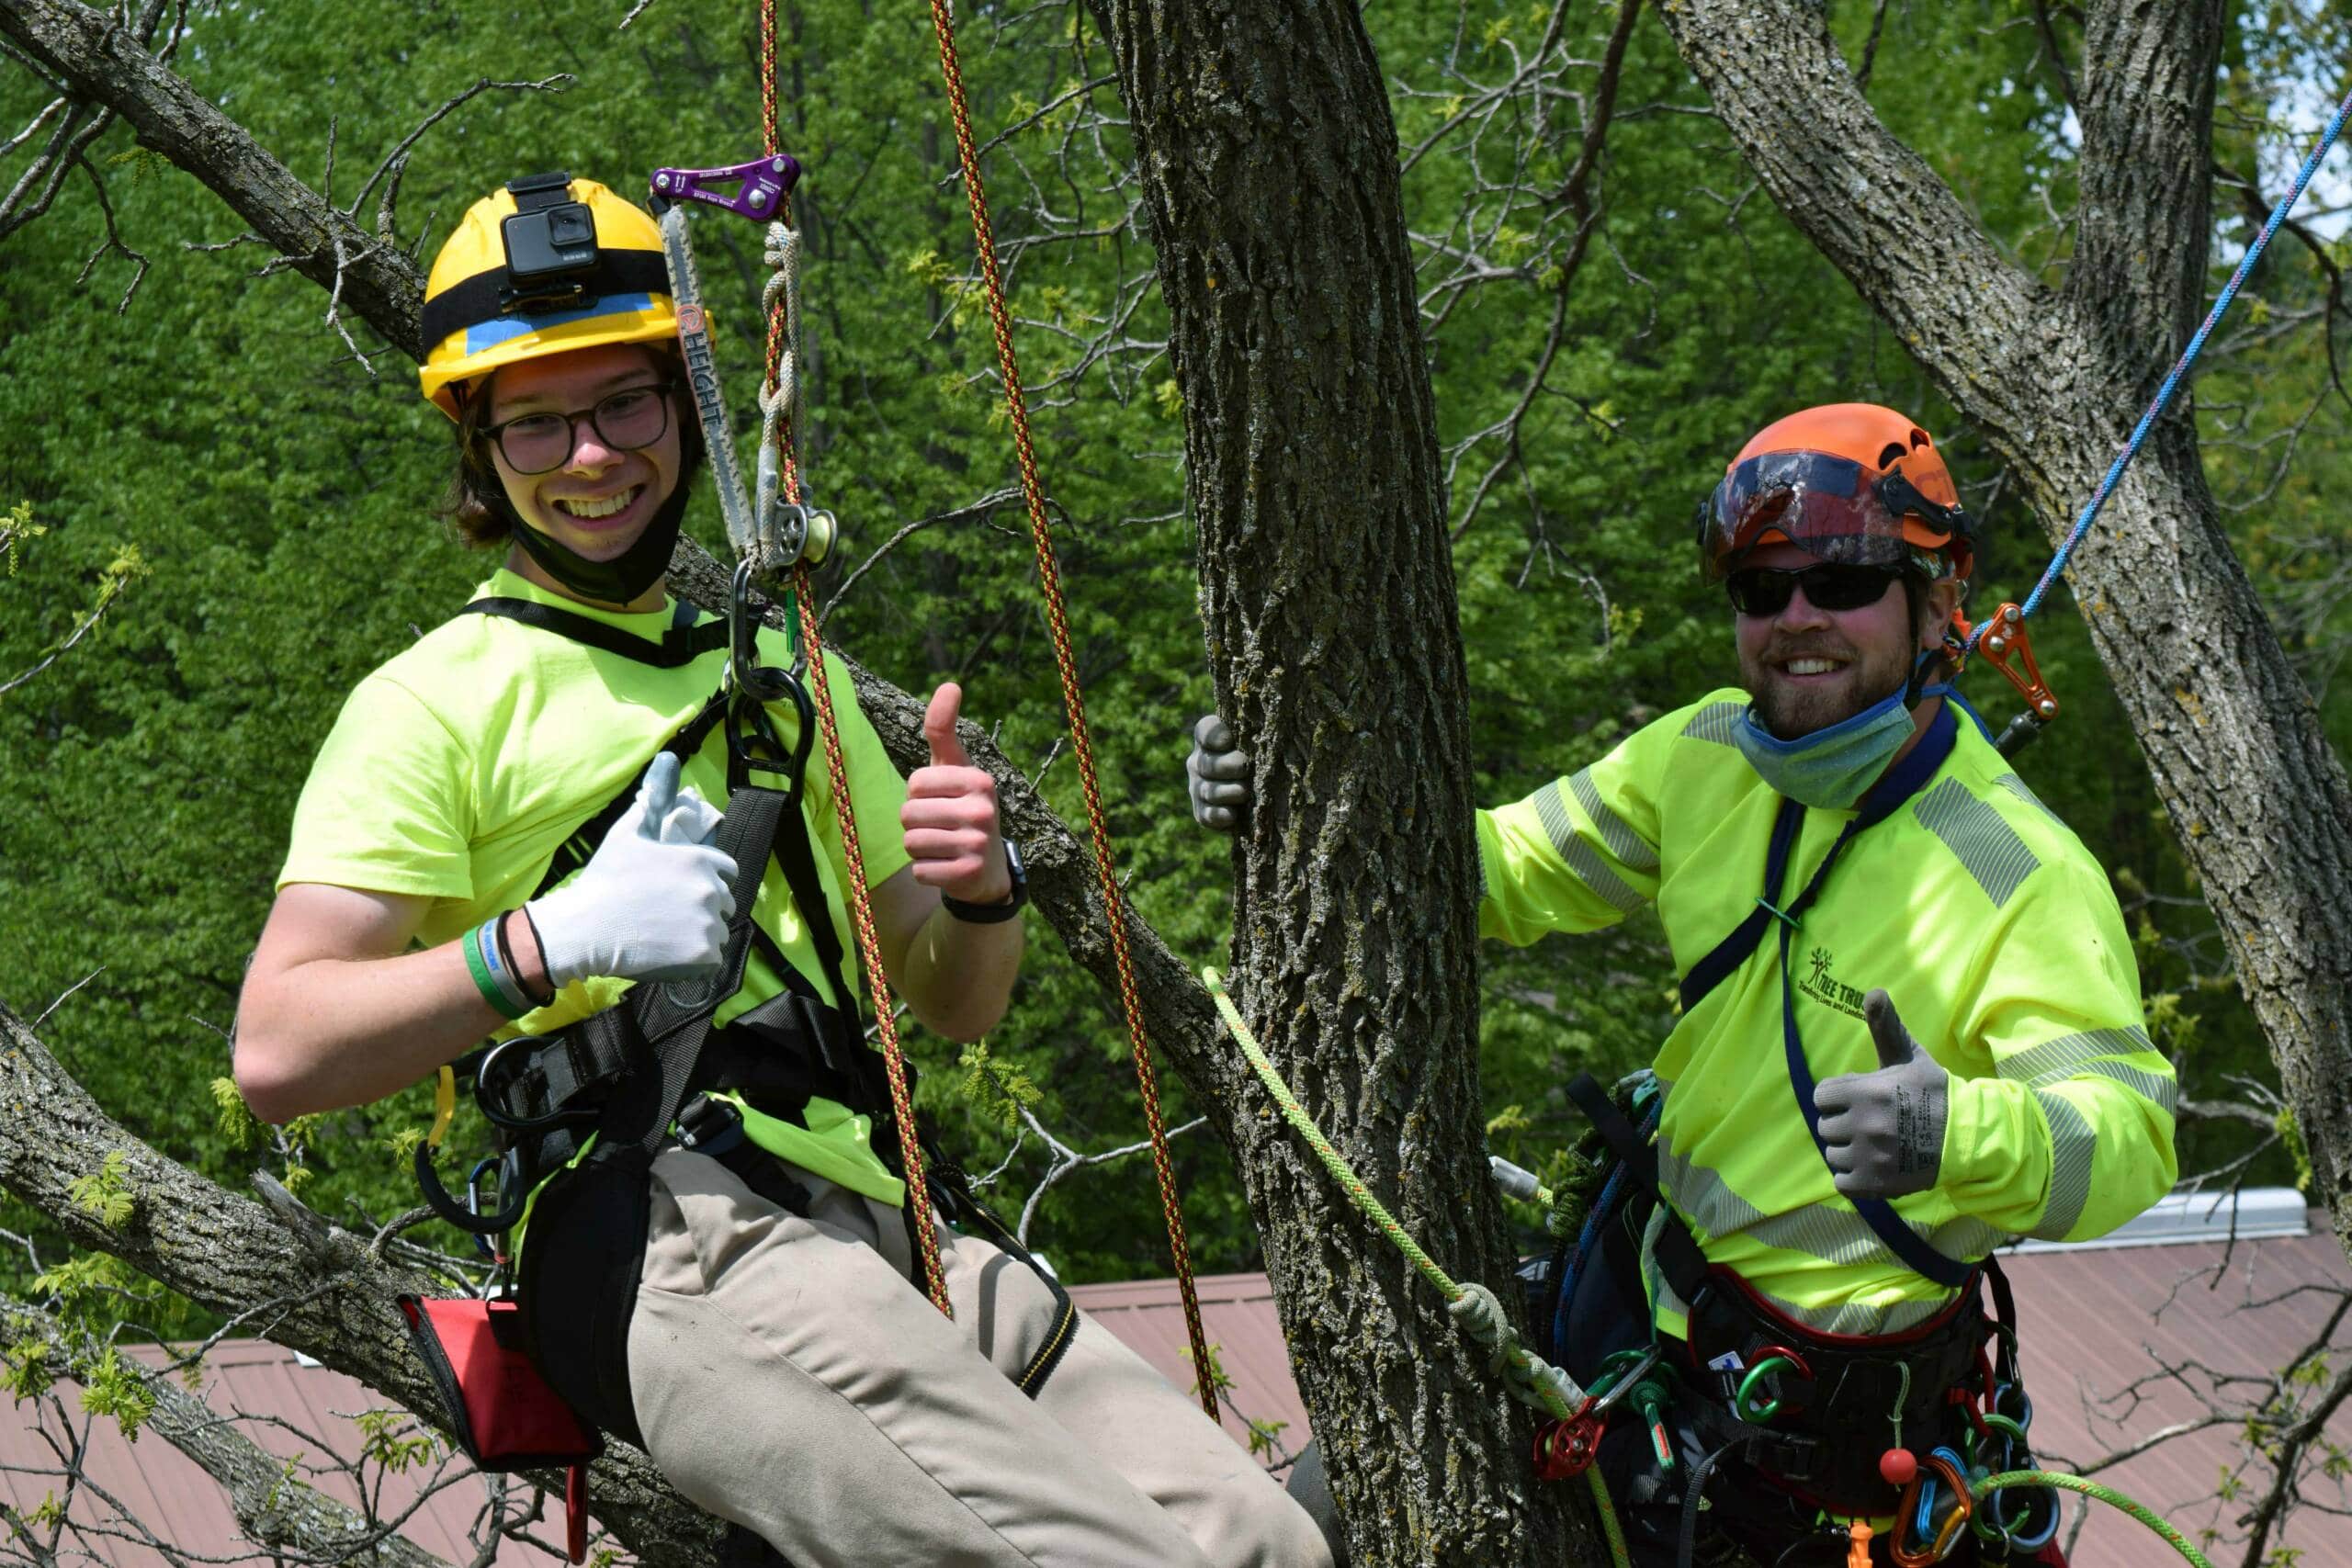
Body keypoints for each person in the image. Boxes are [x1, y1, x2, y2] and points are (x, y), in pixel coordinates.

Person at [236, 172, 1330, 1568]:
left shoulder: (771, 668)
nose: (590, 455)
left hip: (886, 1213)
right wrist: (548, 941)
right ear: (480, 446)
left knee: (1266, 1544)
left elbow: (954, 997)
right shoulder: (433, 702)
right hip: (671, 1228)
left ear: (684, 405)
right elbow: (278, 1046)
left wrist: (978, 889)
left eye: (625, 404)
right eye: (536, 422)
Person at [1186, 405, 2177, 1564]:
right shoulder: (1705, 756)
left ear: (1938, 598)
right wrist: (1290, 803)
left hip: (1811, 1446)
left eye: (1842, 580)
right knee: (1320, 1511)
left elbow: (2130, 1135)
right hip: (1631, 1318)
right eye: (1762, 590)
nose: (1796, 619)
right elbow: (1493, 869)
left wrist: (1954, 1135)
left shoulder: (2013, 870)